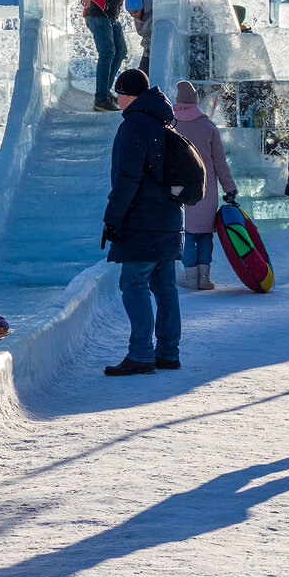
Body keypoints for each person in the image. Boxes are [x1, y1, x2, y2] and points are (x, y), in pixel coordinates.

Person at [101, 68, 184, 376]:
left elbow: (128, 177)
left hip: (143, 222)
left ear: (129, 95)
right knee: (165, 286)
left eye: (119, 94)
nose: (117, 99)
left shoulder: (134, 124)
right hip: (169, 218)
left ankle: (141, 354)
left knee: (132, 284)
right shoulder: (164, 120)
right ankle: (167, 352)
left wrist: (112, 219)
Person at [171, 80, 238, 290]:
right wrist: (229, 188)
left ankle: (190, 276)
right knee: (205, 235)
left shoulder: (170, 124)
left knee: (188, 234)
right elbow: (220, 162)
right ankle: (204, 278)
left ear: (177, 100)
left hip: (181, 189)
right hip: (206, 189)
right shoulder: (208, 125)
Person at [125, 0, 154, 75]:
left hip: (157, 53)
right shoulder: (141, 16)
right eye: (130, 13)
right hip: (148, 50)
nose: (134, 15)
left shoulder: (154, 15)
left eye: (136, 12)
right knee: (140, 76)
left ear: (142, 7)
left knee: (143, 77)